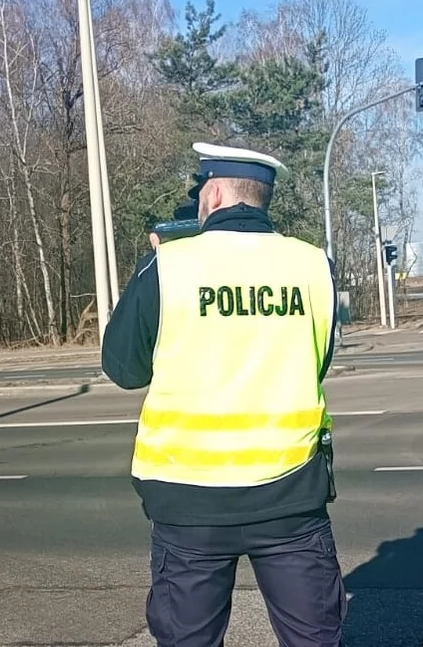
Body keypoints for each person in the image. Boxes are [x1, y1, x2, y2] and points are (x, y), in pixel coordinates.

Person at [101, 142, 346, 647]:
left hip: (188, 503)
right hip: (290, 495)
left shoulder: (169, 266)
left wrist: (149, 274)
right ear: (261, 198)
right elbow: (316, 360)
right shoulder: (313, 266)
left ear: (211, 195)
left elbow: (122, 369)